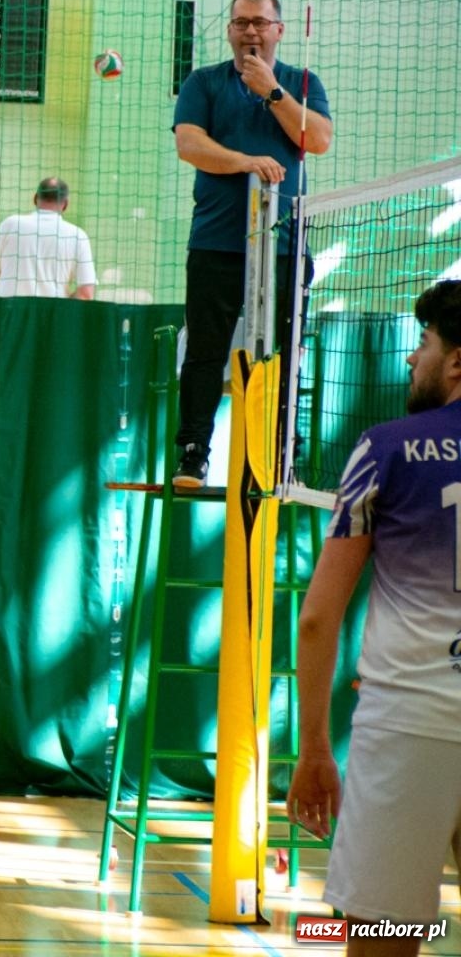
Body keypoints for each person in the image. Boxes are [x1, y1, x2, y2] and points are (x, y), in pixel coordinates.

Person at [285, 280, 461, 957]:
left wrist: (313, 751)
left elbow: (316, 621)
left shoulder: (385, 449)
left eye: (423, 344)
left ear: (456, 361)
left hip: (408, 728)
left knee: (386, 936)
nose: (411, 359)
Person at [171, 0, 334, 488]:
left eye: (260, 23)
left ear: (278, 30)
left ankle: (285, 451)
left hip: (284, 245)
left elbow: (318, 140)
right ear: (229, 29)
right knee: (205, 351)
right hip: (217, 242)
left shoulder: (301, 82)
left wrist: (273, 92)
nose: (250, 32)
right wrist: (247, 164)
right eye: (241, 22)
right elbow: (189, 144)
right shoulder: (203, 82)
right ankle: (194, 453)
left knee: (287, 351)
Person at [0, 175, 97, 299]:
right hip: (51, 314)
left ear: (35, 198)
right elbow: (86, 293)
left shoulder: (10, 224)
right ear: (66, 204)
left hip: (11, 314)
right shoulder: (78, 236)